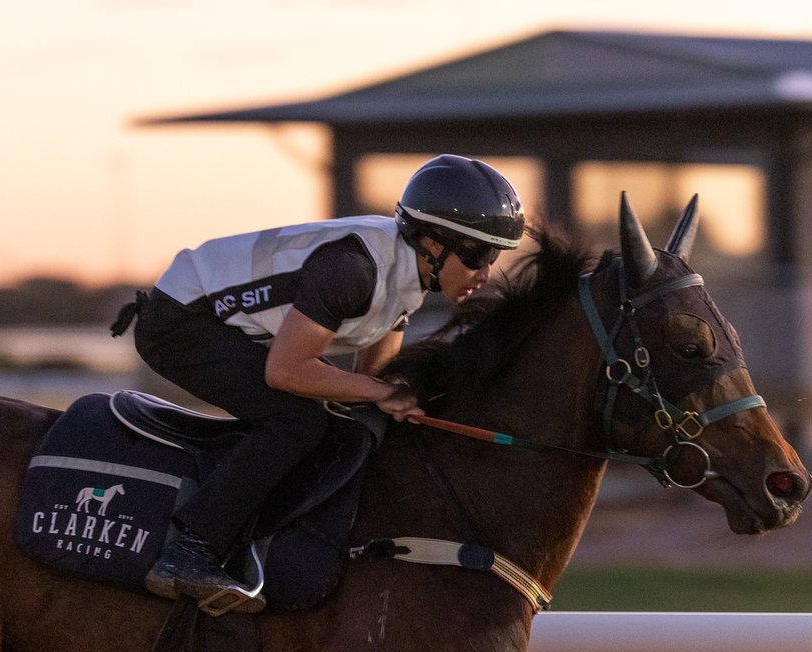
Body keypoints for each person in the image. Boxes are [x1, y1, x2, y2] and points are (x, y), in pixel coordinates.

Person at [110, 154, 525, 612]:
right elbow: (286, 373)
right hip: (182, 320)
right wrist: (385, 393)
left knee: (355, 420)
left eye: (495, 256)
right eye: (477, 254)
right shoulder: (353, 271)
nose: (485, 273)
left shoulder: (410, 275)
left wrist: (395, 397)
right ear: (431, 241)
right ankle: (190, 551)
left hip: (232, 327)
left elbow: (371, 378)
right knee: (296, 421)